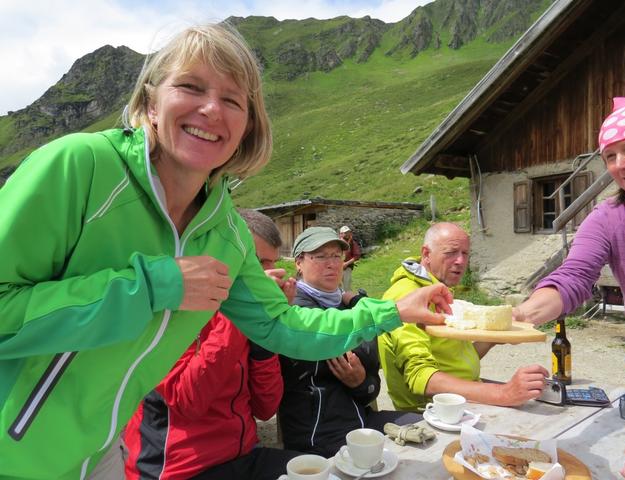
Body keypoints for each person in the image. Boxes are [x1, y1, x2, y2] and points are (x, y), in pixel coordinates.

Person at [0, 22, 453, 479]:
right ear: (151, 102)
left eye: (233, 100)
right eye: (190, 87)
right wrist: (155, 286)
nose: (212, 109)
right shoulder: (80, 167)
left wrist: (394, 310)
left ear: (247, 126)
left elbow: (283, 325)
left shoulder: (228, 233)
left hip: (96, 454)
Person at [511, 95, 625, 480]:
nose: (621, 164)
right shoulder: (608, 218)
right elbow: (574, 276)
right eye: (610, 156)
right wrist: (520, 315)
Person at [123, 210, 300, 480]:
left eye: (272, 264)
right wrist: (240, 320)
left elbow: (266, 408)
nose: (267, 275)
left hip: (242, 455)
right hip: (178, 469)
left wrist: (264, 334)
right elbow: (187, 401)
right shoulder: (173, 313)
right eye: (257, 263)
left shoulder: (240, 319)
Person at [278, 227, 423, 457]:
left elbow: (371, 383)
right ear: (299, 262)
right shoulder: (292, 307)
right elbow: (328, 338)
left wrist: (361, 382)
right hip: (318, 435)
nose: (332, 264)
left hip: (361, 421)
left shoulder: (348, 306)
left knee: (424, 427)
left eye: (337, 256)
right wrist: (360, 303)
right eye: (321, 256)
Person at [378, 222, 548, 412]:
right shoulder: (407, 297)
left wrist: (495, 337)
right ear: (426, 254)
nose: (460, 261)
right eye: (451, 252)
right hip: (432, 411)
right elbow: (421, 377)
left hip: (460, 400)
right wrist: (504, 393)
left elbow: (455, 359)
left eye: (465, 253)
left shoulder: (437, 289)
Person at [339, 225, 361, 291]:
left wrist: (346, 264)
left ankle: (348, 300)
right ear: (341, 234)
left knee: (346, 287)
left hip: (347, 268)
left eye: (348, 232)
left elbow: (357, 256)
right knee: (338, 287)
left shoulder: (352, 243)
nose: (347, 234)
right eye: (345, 233)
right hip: (337, 268)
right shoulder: (337, 243)